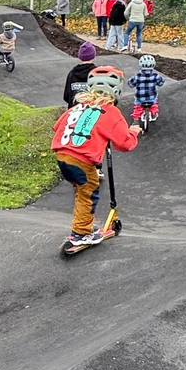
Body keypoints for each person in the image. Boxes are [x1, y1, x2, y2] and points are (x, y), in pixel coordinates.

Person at [51, 66, 141, 247]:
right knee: (88, 193)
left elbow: (57, 126)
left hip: (61, 155)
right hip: (81, 160)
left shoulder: (78, 107)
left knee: (81, 191)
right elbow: (124, 144)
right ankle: (80, 233)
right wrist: (133, 132)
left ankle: (82, 225)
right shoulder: (111, 112)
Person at [128, 54, 166, 122]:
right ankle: (154, 113)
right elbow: (161, 83)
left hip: (140, 98)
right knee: (154, 104)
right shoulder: (156, 76)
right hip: (151, 97)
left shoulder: (137, 76)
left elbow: (131, 84)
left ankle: (136, 120)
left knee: (138, 107)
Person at [63, 40, 98, 108]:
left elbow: (66, 96)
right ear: (93, 55)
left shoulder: (72, 74)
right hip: (92, 110)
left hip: (74, 110)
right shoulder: (96, 73)